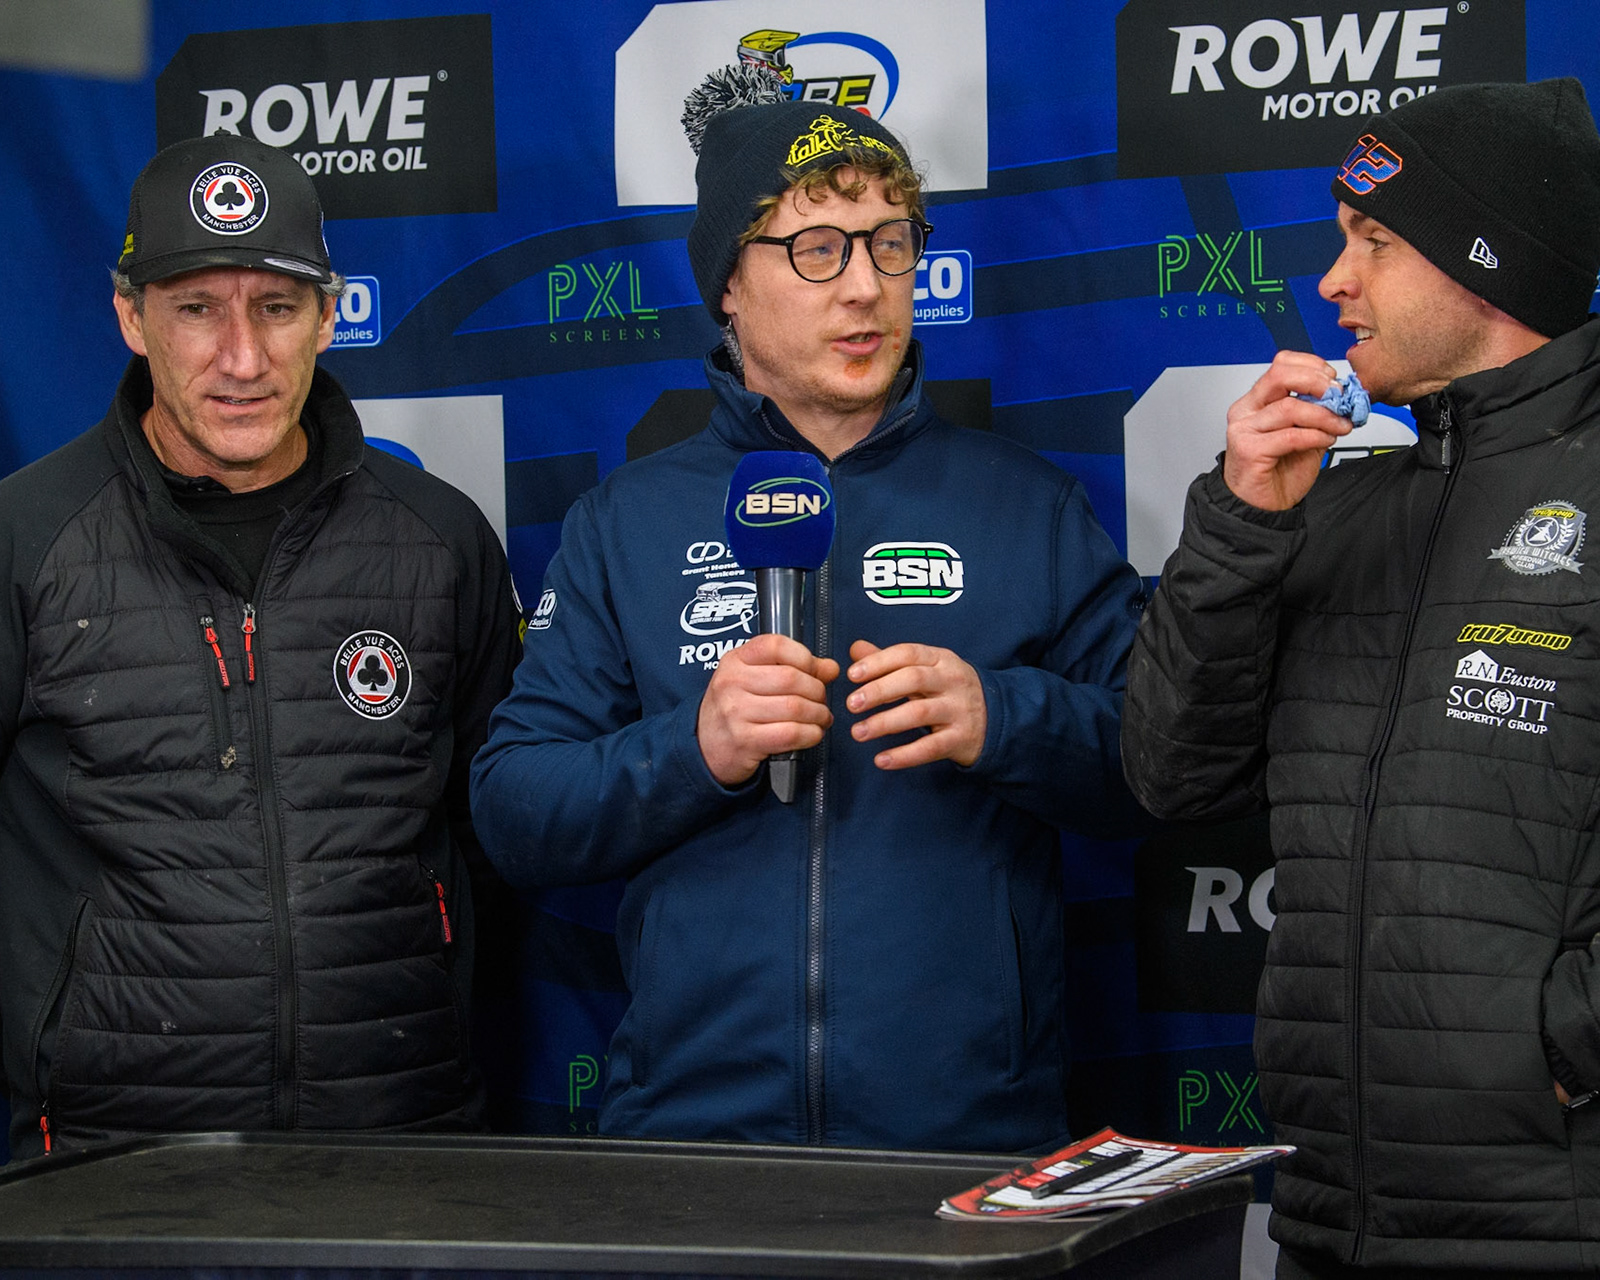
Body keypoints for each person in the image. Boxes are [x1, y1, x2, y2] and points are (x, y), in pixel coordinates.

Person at [1122, 79, 1600, 1280]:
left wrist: (1564, 1039)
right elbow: (1173, 775)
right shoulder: (1328, 505)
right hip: (1331, 1218)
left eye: (1374, 242)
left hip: (1585, 1223)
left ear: (1486, 263)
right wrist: (1241, 527)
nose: (1333, 280)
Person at [470, 74, 1144, 1152]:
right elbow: (516, 808)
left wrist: (1006, 717)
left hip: (965, 1136)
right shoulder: (625, 522)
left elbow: (1155, 763)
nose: (865, 288)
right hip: (696, 1137)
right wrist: (695, 748)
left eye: (890, 244)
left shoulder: (1028, 506)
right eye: (817, 249)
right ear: (729, 287)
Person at [0, 134, 520, 1156]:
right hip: (118, 1158)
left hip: (400, 1139)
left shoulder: (438, 538)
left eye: (276, 307)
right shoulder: (8, 546)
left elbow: (495, 828)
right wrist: (52, 1048)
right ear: (131, 317)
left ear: (330, 314)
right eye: (197, 308)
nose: (243, 358)